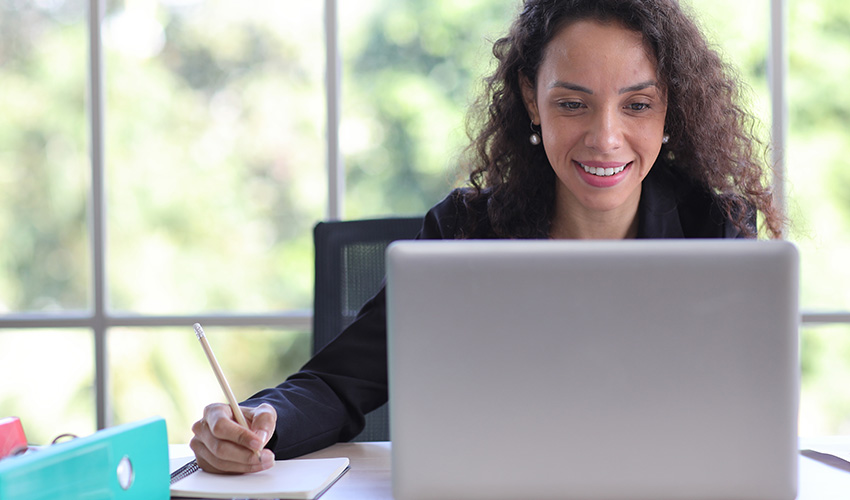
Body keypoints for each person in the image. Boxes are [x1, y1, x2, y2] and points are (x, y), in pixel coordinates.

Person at [190, 0, 785, 473]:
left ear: (668, 108)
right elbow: (337, 384)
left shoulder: (716, 228)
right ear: (532, 98)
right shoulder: (464, 232)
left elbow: (740, 418)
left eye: (638, 105)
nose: (606, 137)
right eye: (573, 103)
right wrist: (259, 419)